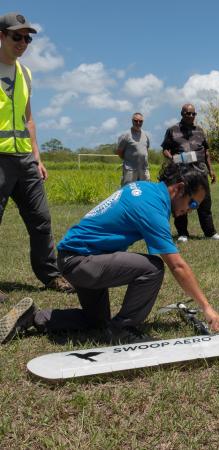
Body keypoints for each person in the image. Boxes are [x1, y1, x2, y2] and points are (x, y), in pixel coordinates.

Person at [0, 163, 219, 345]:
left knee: (96, 321)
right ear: (179, 188)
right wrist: (207, 307)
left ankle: (33, 318)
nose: (189, 211)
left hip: (78, 257)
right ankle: (122, 330)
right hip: (81, 261)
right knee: (153, 268)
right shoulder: (152, 207)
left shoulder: (146, 189)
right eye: (192, 204)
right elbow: (177, 266)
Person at [0, 12, 73, 294]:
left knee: (41, 220)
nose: (23, 43)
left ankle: (51, 275)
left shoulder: (25, 73)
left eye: (27, 38)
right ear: (2, 36)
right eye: (17, 36)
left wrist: (38, 158)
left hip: (25, 160)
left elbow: (29, 119)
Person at [162, 104, 219, 242]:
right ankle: (183, 233)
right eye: (187, 113)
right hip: (181, 172)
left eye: (193, 114)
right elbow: (165, 149)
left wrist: (211, 170)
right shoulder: (172, 130)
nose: (190, 116)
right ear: (182, 114)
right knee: (181, 201)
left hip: (200, 171)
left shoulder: (200, 131)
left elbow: (206, 151)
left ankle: (210, 233)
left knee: (205, 202)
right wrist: (172, 158)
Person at [116, 112, 151, 186]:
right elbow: (119, 151)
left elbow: (146, 150)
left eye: (140, 121)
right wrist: (129, 160)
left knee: (145, 190)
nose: (138, 123)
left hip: (144, 170)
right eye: (136, 121)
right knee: (129, 190)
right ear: (132, 121)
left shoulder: (146, 135)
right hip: (130, 170)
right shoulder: (126, 135)